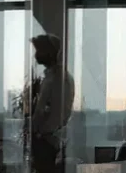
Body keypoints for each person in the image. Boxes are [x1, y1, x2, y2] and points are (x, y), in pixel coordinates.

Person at [30, 34, 75, 173]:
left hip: (47, 141)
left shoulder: (57, 78)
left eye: (39, 50)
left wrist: (36, 130)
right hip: (49, 140)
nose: (35, 54)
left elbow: (47, 110)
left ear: (49, 52)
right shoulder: (57, 77)